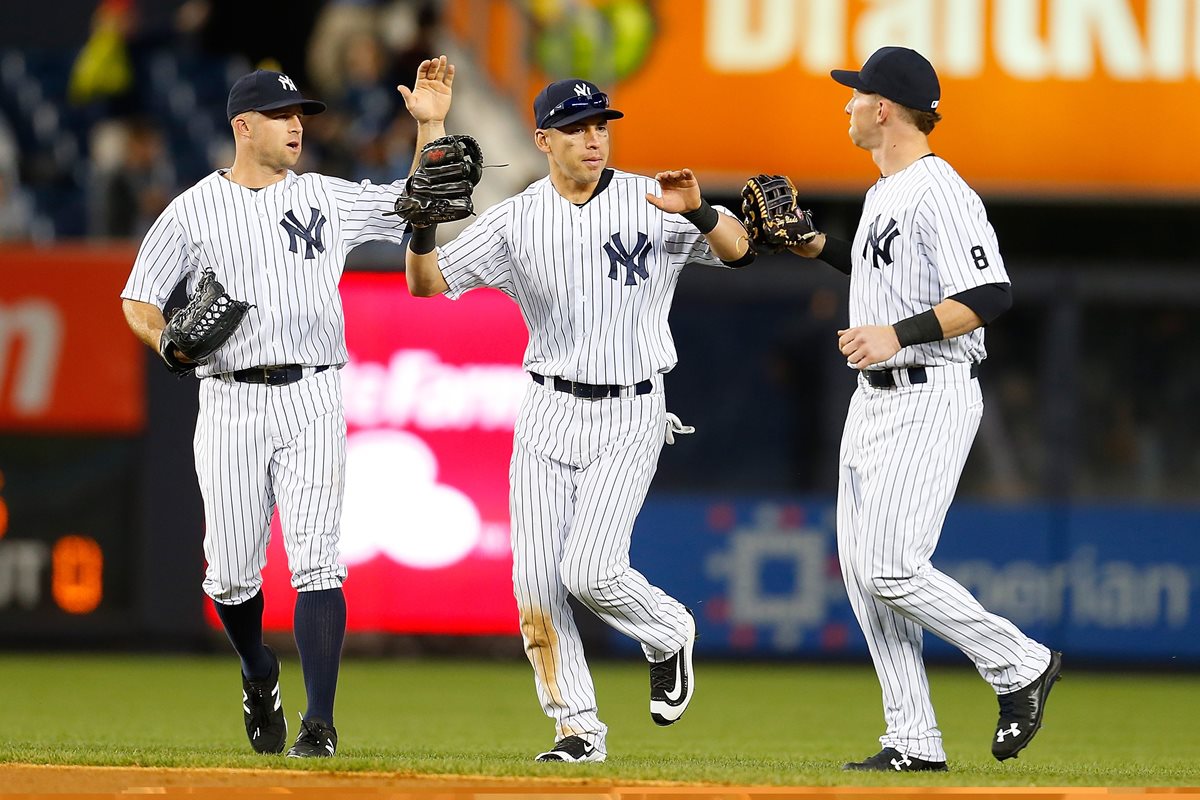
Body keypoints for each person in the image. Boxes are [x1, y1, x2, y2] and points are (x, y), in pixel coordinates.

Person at [399, 56, 754, 763]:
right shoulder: (517, 221)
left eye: (600, 126)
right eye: (575, 128)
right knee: (533, 587)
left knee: (590, 570)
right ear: (544, 141)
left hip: (630, 410)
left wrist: (705, 211)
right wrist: (420, 227)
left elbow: (740, 250)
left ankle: (667, 630)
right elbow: (425, 284)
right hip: (546, 411)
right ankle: (577, 729)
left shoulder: (652, 199)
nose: (593, 139)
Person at [780, 46, 1063, 771]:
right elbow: (880, 269)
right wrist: (812, 242)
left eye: (854, 95)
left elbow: (991, 294)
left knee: (894, 569)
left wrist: (896, 335)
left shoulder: (942, 191)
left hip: (928, 392)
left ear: (883, 108)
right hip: (872, 402)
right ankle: (912, 738)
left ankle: (1020, 662)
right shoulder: (886, 190)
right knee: (864, 577)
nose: (845, 105)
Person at [120, 68, 411, 758]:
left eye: (300, 112)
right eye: (281, 113)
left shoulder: (324, 195)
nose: (297, 123)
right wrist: (167, 340)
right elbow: (137, 297)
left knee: (316, 565)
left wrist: (428, 126)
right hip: (228, 398)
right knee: (228, 574)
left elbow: (416, 200)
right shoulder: (193, 210)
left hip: (312, 391)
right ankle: (258, 671)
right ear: (243, 126)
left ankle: (320, 723)